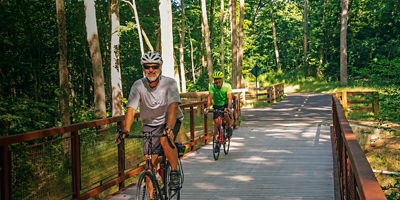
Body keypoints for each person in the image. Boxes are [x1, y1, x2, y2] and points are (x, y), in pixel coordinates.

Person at [118, 51, 183, 189]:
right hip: (150, 123)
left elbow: (173, 107)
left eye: (155, 66)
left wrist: (169, 128)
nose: (151, 70)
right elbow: (131, 108)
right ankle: (153, 196)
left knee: (165, 139)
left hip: (170, 119)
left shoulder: (169, 83)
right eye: (147, 67)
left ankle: (174, 172)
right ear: (143, 68)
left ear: (160, 67)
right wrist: (126, 129)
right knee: (149, 164)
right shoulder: (138, 85)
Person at [204, 71, 233, 138]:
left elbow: (229, 98)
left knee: (225, 114)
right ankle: (217, 140)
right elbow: (210, 96)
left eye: (219, 79)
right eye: (215, 79)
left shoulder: (227, 86)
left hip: (225, 104)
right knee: (217, 122)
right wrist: (208, 107)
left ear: (222, 79)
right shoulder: (212, 86)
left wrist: (229, 108)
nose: (217, 81)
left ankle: (228, 127)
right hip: (217, 105)